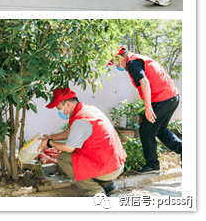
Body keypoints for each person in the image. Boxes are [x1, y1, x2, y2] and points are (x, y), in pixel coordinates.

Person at [39, 87, 126, 197]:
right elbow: (73, 132)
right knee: (82, 156)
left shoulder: (80, 120)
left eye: (59, 108)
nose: (60, 112)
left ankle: (94, 192)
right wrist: (51, 137)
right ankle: (108, 186)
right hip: (115, 164)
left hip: (107, 169)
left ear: (68, 104)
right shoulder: (87, 110)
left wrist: (49, 143)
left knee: (63, 158)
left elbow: (69, 148)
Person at [109, 46, 182, 174]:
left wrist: (148, 107)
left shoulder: (132, 63)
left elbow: (144, 82)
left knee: (146, 130)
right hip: (172, 97)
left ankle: (153, 165)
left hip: (163, 99)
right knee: (160, 130)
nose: (115, 65)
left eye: (114, 61)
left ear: (120, 57)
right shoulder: (137, 59)